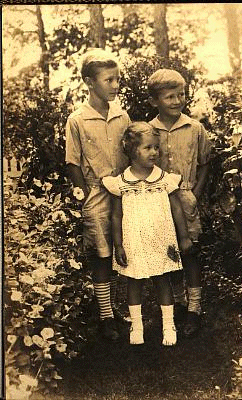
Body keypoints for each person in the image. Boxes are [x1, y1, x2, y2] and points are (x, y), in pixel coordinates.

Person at [102, 122, 192, 346]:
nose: (154, 152)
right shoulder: (121, 182)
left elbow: (176, 208)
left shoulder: (163, 179)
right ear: (133, 151)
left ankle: (168, 325)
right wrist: (119, 245)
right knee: (134, 281)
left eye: (156, 147)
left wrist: (183, 237)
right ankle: (137, 325)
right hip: (134, 240)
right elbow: (116, 216)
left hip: (160, 238)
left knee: (162, 280)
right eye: (148, 148)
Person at [65, 48, 130, 341]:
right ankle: (107, 317)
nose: (116, 85)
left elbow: (132, 152)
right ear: (90, 82)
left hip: (126, 193)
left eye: (117, 79)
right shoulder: (78, 119)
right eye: (109, 80)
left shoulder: (122, 115)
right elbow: (73, 161)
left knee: (125, 250)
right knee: (102, 254)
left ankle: (121, 307)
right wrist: (85, 194)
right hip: (97, 195)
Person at [147, 69, 212, 337]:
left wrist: (195, 192)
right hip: (158, 200)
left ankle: (194, 308)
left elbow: (206, 163)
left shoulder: (195, 128)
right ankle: (176, 304)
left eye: (181, 94)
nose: (176, 101)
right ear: (155, 101)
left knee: (191, 252)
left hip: (186, 198)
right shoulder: (148, 130)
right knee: (167, 253)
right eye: (169, 96)